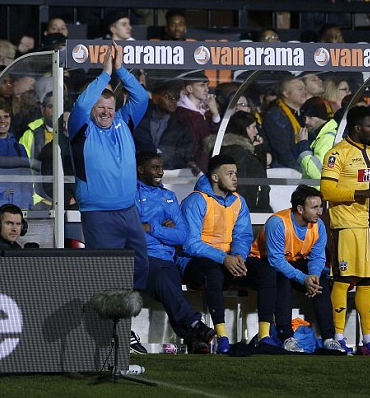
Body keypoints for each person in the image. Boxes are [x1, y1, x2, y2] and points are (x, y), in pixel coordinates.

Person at [67, 41, 149, 291]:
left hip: (128, 211)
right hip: (98, 213)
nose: (106, 113)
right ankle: (107, 325)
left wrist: (120, 69)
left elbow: (142, 97)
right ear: (93, 110)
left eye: (110, 108)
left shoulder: (123, 122)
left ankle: (126, 319)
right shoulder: (81, 128)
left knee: (141, 266)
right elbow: (81, 105)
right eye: (100, 108)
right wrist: (104, 74)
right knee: (105, 273)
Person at [321, 106, 370, 355]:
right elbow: (327, 191)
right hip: (346, 226)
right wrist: (359, 193)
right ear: (356, 128)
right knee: (343, 280)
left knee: (367, 282)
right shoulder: (336, 155)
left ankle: (369, 341)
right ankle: (338, 337)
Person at [135, 151, 216, 354]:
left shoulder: (168, 197)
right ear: (140, 169)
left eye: (162, 167)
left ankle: (192, 335)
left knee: (167, 280)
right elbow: (132, 231)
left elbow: (182, 235)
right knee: (165, 281)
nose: (160, 172)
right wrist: (163, 230)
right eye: (155, 167)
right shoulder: (129, 195)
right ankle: (194, 326)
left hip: (166, 260)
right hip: (141, 258)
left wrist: (152, 227)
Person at [248, 185, 345, 353]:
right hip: (262, 264)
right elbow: (276, 261)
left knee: (320, 280)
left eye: (320, 206)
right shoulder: (278, 223)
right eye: (315, 207)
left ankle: (329, 338)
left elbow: (317, 257)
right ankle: (286, 336)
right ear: (300, 209)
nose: (320, 211)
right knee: (282, 278)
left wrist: (313, 275)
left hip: (293, 262)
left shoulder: (318, 226)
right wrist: (303, 278)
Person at [177, 154, 256, 354]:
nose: (235, 178)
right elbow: (190, 244)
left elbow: (243, 235)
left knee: (267, 272)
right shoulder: (196, 201)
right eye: (229, 174)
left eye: (235, 174)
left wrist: (239, 256)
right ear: (214, 177)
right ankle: (222, 337)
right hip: (193, 262)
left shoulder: (239, 201)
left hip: (228, 259)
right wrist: (224, 258)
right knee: (214, 273)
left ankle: (267, 335)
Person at [206, 111, 271, 213]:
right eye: (253, 127)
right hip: (247, 210)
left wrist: (257, 150)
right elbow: (238, 184)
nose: (256, 132)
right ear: (244, 128)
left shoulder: (243, 150)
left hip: (253, 208)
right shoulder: (235, 152)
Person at [175, 72, 220, 174]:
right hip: (193, 167)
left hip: (208, 163)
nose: (207, 90)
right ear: (190, 89)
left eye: (207, 85)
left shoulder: (208, 111)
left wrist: (215, 114)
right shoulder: (181, 113)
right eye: (202, 85)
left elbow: (217, 137)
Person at [260, 76, 307, 171]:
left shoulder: (299, 113)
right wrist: (301, 172)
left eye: (305, 88)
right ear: (286, 94)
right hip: (284, 172)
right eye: (300, 89)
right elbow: (282, 151)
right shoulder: (276, 115)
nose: (305, 92)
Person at [296, 96, 337, 180]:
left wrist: (303, 144)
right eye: (304, 118)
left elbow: (317, 173)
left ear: (321, 117)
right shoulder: (319, 136)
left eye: (310, 117)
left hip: (319, 191)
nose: (306, 121)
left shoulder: (328, 138)